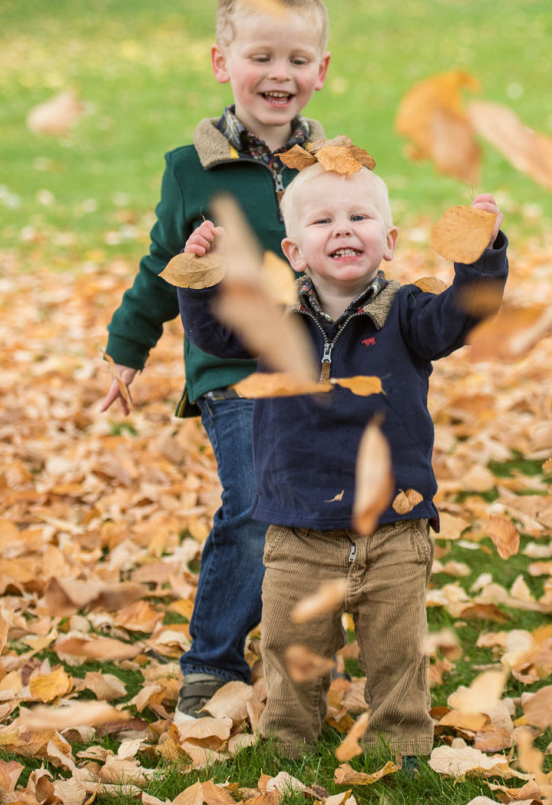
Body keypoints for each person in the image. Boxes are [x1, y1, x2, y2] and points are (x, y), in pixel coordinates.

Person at [175, 154, 508, 759]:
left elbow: (465, 313)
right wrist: (199, 274)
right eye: (323, 220)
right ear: (295, 251)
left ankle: (402, 751)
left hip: (394, 530)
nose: (343, 229)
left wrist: (480, 254)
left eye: (359, 216)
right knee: (291, 655)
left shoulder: (408, 314)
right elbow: (217, 332)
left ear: (388, 240)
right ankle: (288, 747)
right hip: (298, 530)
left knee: (397, 655)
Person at [101, 0, 332, 721]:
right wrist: (126, 347)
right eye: (261, 56)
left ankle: (297, 650)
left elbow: (355, 258)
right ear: (221, 61)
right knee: (254, 504)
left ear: (321, 71)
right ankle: (210, 662)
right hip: (231, 367)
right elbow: (160, 268)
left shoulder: (335, 170)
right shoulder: (188, 170)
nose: (279, 74)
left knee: (310, 509)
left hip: (313, 365)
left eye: (298, 59)